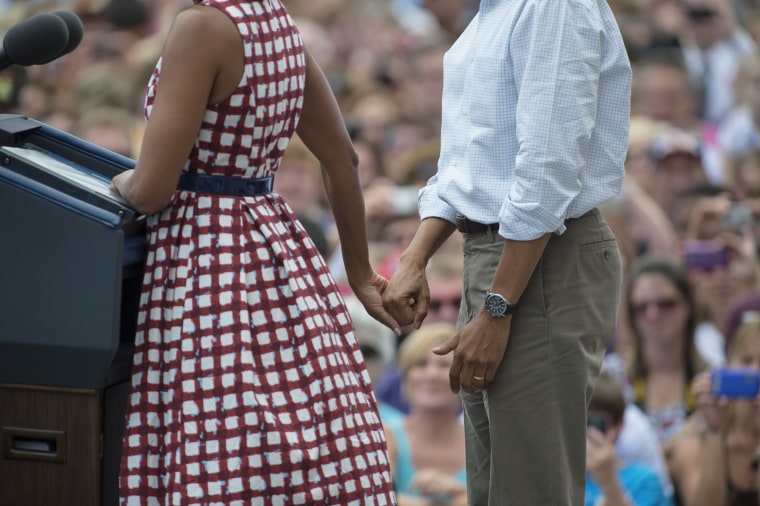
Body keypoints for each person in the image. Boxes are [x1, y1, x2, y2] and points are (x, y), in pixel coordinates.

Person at [110, 0, 399, 503]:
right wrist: (359, 273)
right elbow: (343, 160)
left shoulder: (201, 27)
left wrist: (117, 181)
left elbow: (151, 190)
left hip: (203, 255)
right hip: (272, 238)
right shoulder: (275, 21)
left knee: (217, 448)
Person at [382, 0, 632, 503]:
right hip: (499, 258)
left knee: (529, 491)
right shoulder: (490, 14)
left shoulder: (551, 6)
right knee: (493, 490)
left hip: (540, 259)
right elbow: (465, 167)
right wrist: (416, 257)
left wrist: (498, 307)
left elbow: (547, 171)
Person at [668, 317, 760, 506]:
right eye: (746, 360)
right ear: (727, 365)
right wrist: (715, 428)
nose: (755, 371)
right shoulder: (693, 446)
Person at [383, 323, 467, 506]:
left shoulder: (482, 443)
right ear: (404, 378)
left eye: (444, 365)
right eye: (421, 364)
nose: (432, 374)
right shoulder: (384, 437)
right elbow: (376, 499)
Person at [585, 371, 674, 506]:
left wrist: (608, 482)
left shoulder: (645, 480)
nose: (589, 431)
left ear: (619, 425)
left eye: (597, 422)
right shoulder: (563, 480)